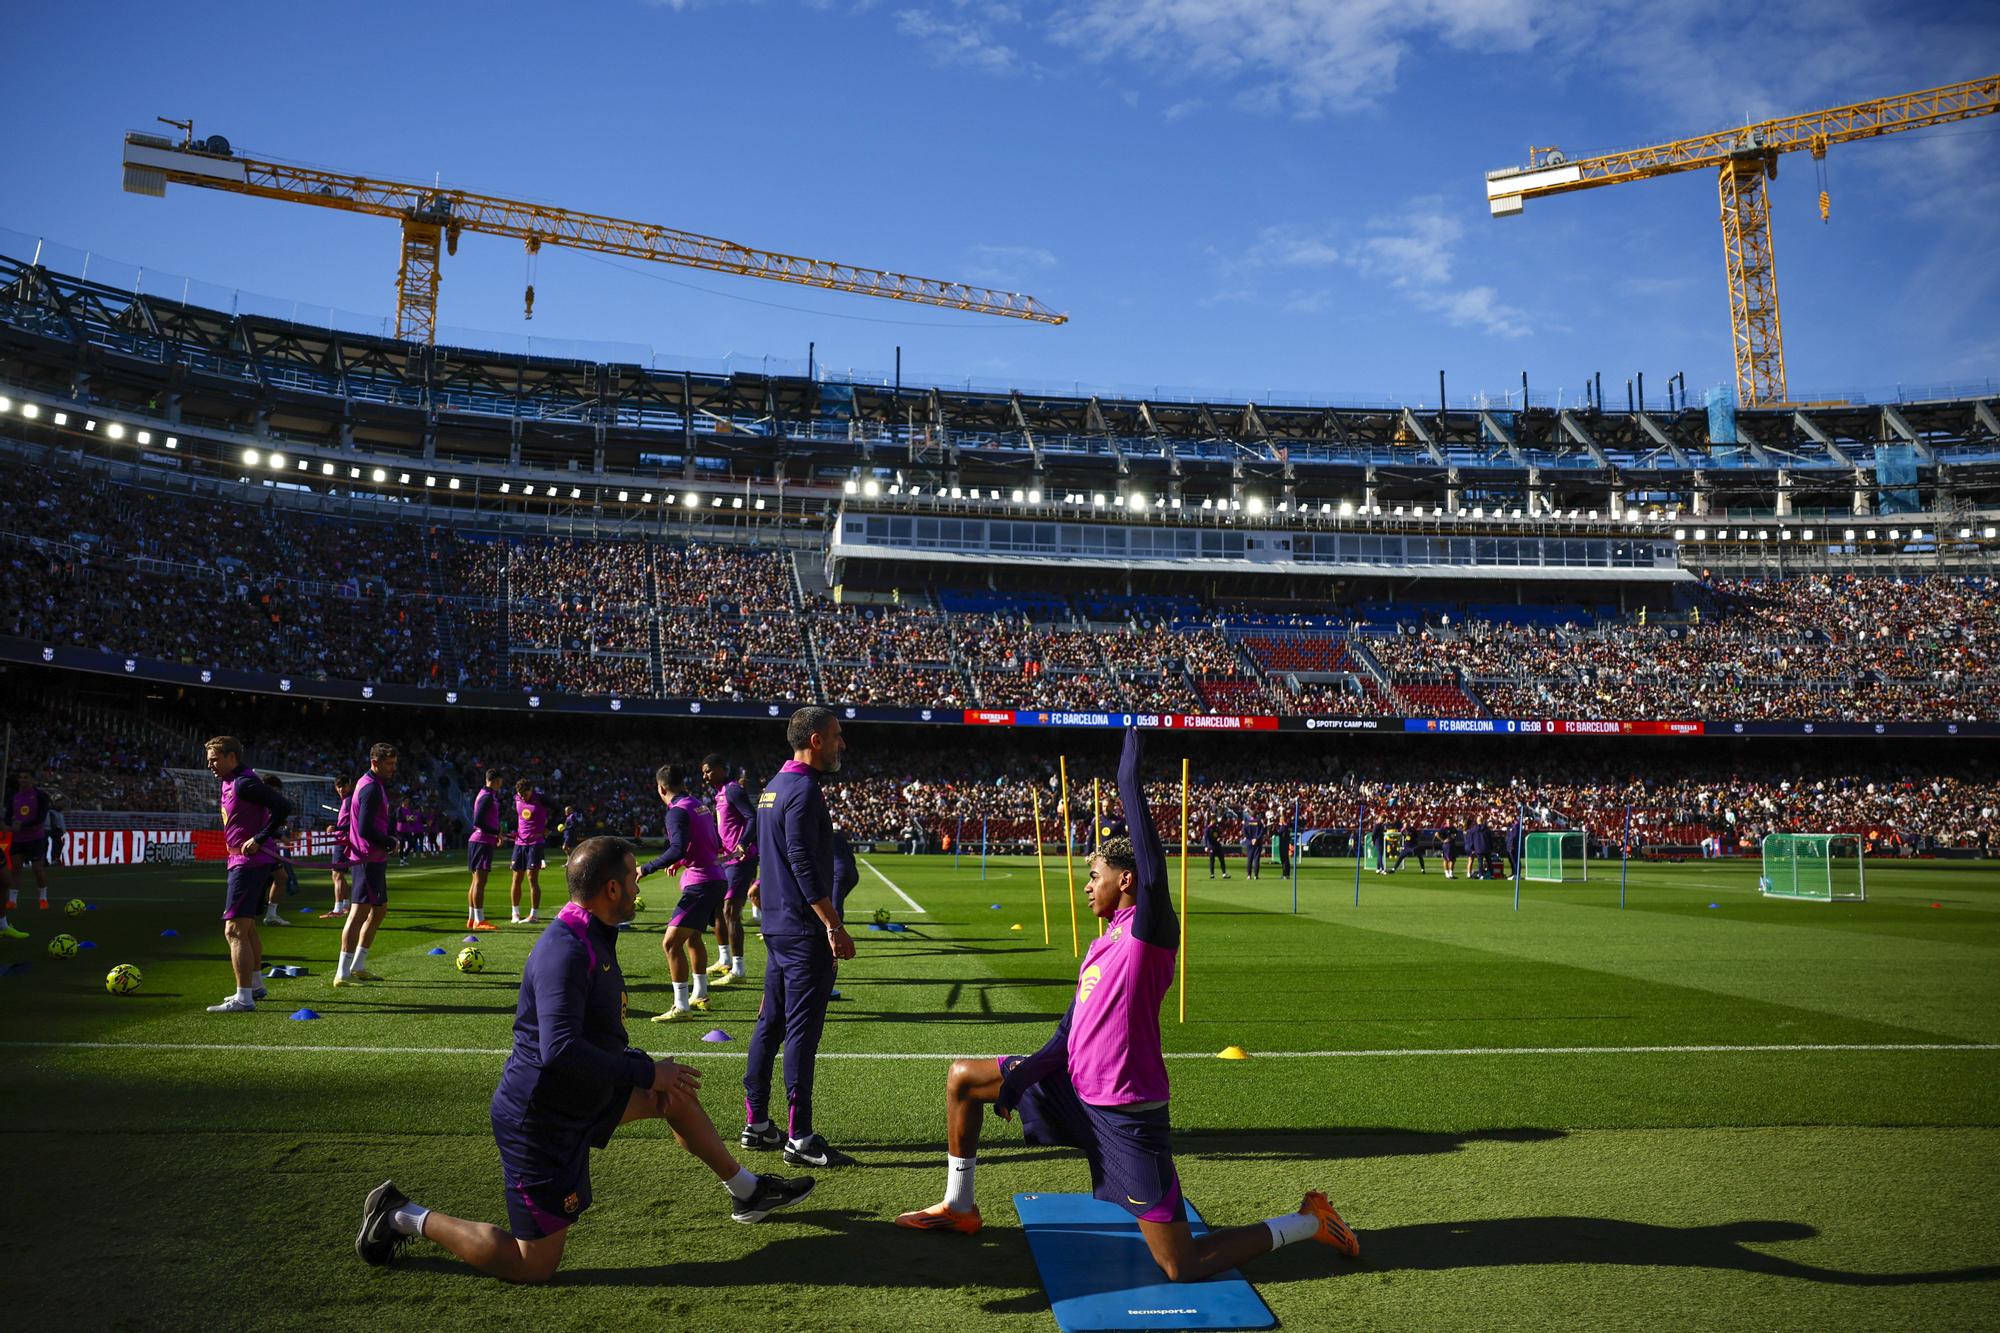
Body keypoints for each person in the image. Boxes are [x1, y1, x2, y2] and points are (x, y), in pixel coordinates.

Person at [894, 727, 1361, 1279]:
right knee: (964, 1079)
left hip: (1125, 1115)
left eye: (1096, 876)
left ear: (1128, 879)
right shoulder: (1100, 943)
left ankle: (1310, 1221)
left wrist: (1127, 779)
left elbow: (1156, 870)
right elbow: (1070, 1034)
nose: (1087, 886)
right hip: (1074, 1088)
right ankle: (959, 1207)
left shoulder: (1148, 934)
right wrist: (1025, 1076)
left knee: (1181, 1266)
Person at [353, 837, 816, 1282]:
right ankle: (399, 1215)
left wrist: (647, 1071)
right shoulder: (566, 950)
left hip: (583, 1093)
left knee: (671, 1096)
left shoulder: (594, 930)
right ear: (611, 889)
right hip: (542, 1120)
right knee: (532, 1265)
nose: (639, 886)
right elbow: (559, 1050)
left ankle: (748, 1193)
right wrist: (644, 1070)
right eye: (633, 878)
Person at [743, 707, 858, 1170]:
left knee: (770, 1023)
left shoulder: (773, 787)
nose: (841, 745)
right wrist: (833, 924)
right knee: (801, 1035)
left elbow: (772, 854)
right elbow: (804, 865)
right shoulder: (805, 790)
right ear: (815, 740)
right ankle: (800, 1137)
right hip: (802, 930)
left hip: (775, 926)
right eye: (836, 736)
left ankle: (756, 1123)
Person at [204, 736, 292, 1014]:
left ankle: (244, 999)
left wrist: (260, 837)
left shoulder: (244, 782)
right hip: (247, 860)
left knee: (234, 929)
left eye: (214, 760)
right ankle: (254, 986)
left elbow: (283, 807)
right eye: (208, 761)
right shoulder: (232, 781)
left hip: (249, 862)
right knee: (248, 926)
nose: (211, 766)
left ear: (232, 757)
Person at [643, 765, 724, 1023]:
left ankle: (681, 1006)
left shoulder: (676, 812)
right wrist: (680, 862)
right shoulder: (698, 804)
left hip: (702, 883)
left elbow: (677, 848)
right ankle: (700, 994)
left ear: (661, 788)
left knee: (670, 943)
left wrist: (645, 868)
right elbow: (709, 843)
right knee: (693, 937)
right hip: (715, 878)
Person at [337, 743, 399, 987]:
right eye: (389, 764)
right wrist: (389, 841)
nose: (393, 768)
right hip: (367, 858)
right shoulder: (371, 788)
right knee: (358, 913)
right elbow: (365, 828)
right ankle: (343, 972)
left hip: (371, 858)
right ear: (375, 762)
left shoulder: (371, 784)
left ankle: (358, 965)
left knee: (379, 909)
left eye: (394, 763)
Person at [704, 756, 755, 985]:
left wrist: (743, 842)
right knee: (717, 909)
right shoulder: (720, 793)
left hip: (741, 860)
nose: (705, 775)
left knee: (730, 911)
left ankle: (739, 969)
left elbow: (752, 817)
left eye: (708, 771)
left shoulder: (733, 790)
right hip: (725, 859)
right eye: (703, 772)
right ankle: (725, 960)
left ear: (722, 769)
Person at [7, 768, 54, 911]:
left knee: (37, 869)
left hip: (35, 838)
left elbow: (40, 818)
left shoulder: (41, 796)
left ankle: (43, 898)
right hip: (18, 839)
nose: (22, 780)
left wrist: (22, 825)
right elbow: (9, 816)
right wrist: (11, 823)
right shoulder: (14, 797)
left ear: (33, 779)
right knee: (15, 869)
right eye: (21, 777)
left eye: (26, 777)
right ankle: (12, 900)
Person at [465, 770, 506, 932]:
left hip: (480, 841)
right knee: (480, 881)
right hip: (482, 841)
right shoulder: (487, 796)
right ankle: (479, 920)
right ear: (496, 780)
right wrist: (496, 832)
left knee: (476, 881)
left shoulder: (487, 794)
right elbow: (478, 821)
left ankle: (472, 918)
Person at [260, 775, 298, 927]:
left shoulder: (264, 802)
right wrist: (280, 835)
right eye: (275, 790)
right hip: (259, 846)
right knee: (271, 878)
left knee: (280, 877)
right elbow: (261, 826)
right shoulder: (260, 802)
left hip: (265, 845)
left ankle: (270, 914)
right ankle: (267, 914)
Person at [511, 780, 551, 925]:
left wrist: (549, 828)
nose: (523, 797)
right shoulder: (516, 798)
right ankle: (515, 913)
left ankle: (534, 914)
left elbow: (559, 809)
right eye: (520, 794)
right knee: (516, 878)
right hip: (519, 843)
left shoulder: (541, 798)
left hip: (535, 844)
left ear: (531, 789)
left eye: (525, 794)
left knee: (532, 878)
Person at [322, 775, 355, 920]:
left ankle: (338, 908)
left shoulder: (349, 801)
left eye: (343, 785)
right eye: (338, 786)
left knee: (336, 874)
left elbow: (355, 823)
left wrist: (337, 827)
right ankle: (346, 905)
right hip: (343, 840)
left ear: (349, 785)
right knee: (339, 874)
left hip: (343, 841)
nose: (341, 789)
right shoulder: (346, 801)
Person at [1242, 809, 1265, 880]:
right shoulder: (1259, 822)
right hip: (1257, 843)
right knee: (1256, 859)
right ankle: (1256, 875)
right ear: (1256, 815)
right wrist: (1256, 839)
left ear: (1250, 815)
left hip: (1249, 842)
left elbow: (1244, 832)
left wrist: (1250, 839)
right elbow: (1262, 831)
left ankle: (1249, 875)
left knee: (1249, 859)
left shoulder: (1247, 822)